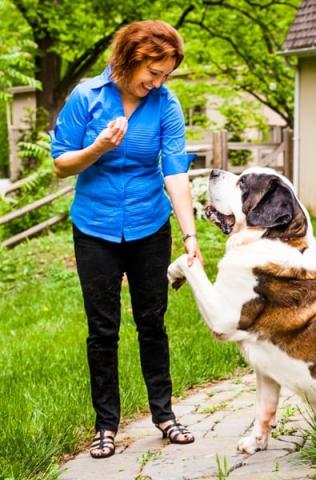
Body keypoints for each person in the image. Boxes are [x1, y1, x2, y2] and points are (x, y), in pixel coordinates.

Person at [51, 20, 203, 459]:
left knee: (152, 322)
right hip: (95, 228)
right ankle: (106, 425)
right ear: (130, 57)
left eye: (165, 75)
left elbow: (175, 171)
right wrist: (97, 147)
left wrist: (189, 234)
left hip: (148, 226)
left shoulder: (166, 104)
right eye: (153, 72)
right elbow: (61, 164)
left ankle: (164, 414)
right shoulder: (86, 97)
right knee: (103, 329)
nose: (158, 82)